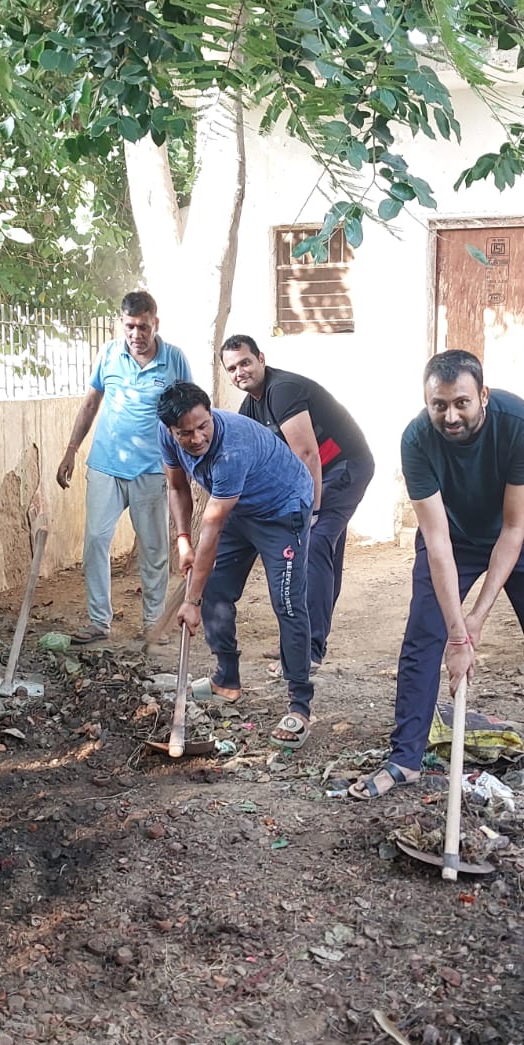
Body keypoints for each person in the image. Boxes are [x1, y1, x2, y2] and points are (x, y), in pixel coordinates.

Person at [349, 350, 524, 819]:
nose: (450, 416)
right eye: (438, 405)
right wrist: (456, 634)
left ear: (482, 396)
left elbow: (513, 529)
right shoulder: (416, 440)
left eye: (462, 403)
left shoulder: (520, 424)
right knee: (424, 638)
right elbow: (437, 541)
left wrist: (476, 620)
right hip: (455, 538)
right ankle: (405, 759)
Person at [157, 382, 316, 751]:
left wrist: (190, 603)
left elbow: (212, 526)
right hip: (240, 510)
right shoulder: (168, 437)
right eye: (186, 433)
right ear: (170, 430)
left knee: (288, 604)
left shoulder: (231, 450)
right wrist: (183, 542)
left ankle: (300, 704)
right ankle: (226, 681)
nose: (197, 438)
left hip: (283, 510)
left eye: (203, 426)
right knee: (215, 590)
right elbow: (177, 488)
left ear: (210, 414)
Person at [221, 336, 373, 668]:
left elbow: (307, 454)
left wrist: (311, 511)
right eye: (231, 368)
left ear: (261, 358)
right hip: (322, 473)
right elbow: (252, 461)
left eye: (245, 362)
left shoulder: (282, 390)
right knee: (324, 550)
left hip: (345, 467)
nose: (239, 372)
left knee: (314, 542)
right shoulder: (251, 407)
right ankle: (301, 641)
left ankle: (307, 651)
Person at [56, 290, 193, 644]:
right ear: (122, 323)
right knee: (95, 541)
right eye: (130, 326)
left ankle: (152, 622)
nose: (136, 335)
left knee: (153, 550)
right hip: (105, 465)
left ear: (155, 324)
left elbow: (189, 413)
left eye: (143, 327)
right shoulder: (109, 355)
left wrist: (187, 463)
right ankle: (99, 622)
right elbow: (90, 404)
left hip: (152, 469)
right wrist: (71, 450)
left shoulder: (174, 360)